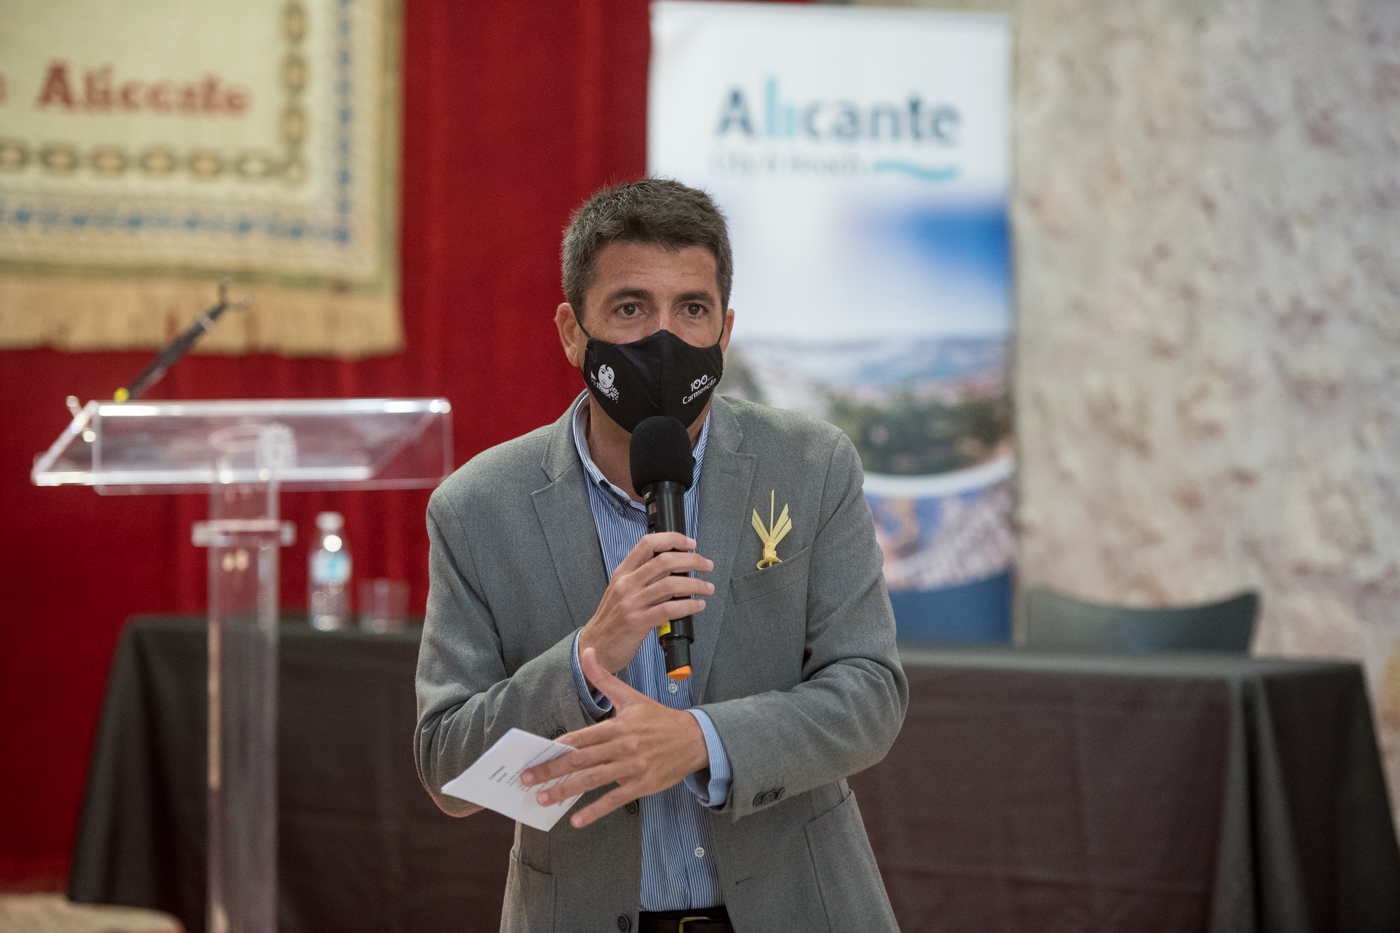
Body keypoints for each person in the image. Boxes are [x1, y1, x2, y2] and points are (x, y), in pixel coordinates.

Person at [415, 178, 907, 933]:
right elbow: (448, 770)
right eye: (631, 308)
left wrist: (701, 742)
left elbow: (871, 694)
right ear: (573, 331)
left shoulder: (811, 467)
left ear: (726, 328)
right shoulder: (478, 509)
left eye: (693, 310)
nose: (664, 339)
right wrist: (585, 656)